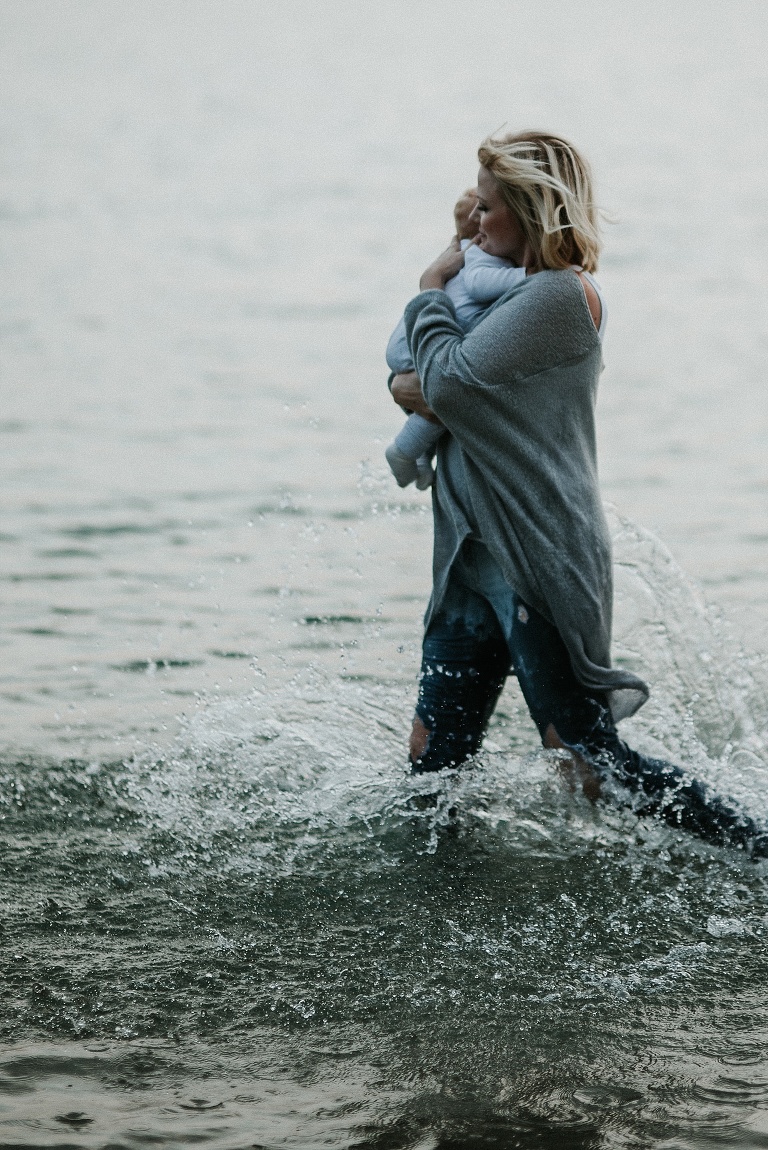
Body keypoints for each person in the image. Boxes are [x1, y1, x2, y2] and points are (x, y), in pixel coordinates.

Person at [390, 129, 767, 855]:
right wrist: (431, 380)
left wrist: (428, 290)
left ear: (533, 214)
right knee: (431, 765)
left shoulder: (561, 298)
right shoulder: (496, 297)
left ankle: (756, 849)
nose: (472, 223)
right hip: (469, 557)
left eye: (490, 209)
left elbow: (444, 384)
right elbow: (414, 383)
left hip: (539, 558)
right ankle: (431, 917)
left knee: (590, 766)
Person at [385, 189, 526, 489]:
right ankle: (404, 451)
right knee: (441, 397)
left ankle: (419, 456)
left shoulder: (457, 256)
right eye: (482, 211)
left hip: (411, 344)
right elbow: (478, 286)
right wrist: (527, 274)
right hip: (417, 347)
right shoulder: (481, 257)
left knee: (439, 394)